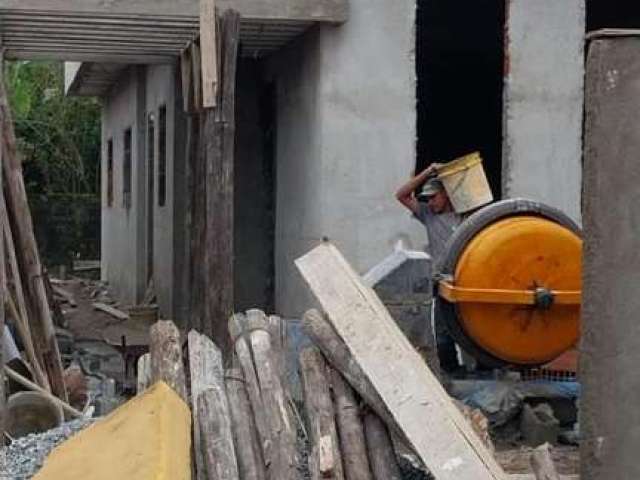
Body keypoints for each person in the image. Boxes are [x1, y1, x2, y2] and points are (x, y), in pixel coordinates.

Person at [395, 163, 462, 373]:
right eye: (428, 198)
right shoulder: (429, 216)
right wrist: (427, 172)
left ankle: (480, 368)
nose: (430, 202)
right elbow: (402, 195)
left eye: (434, 197)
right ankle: (450, 370)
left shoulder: (466, 216)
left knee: (472, 329)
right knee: (442, 328)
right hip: (441, 281)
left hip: (467, 280)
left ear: (447, 194)